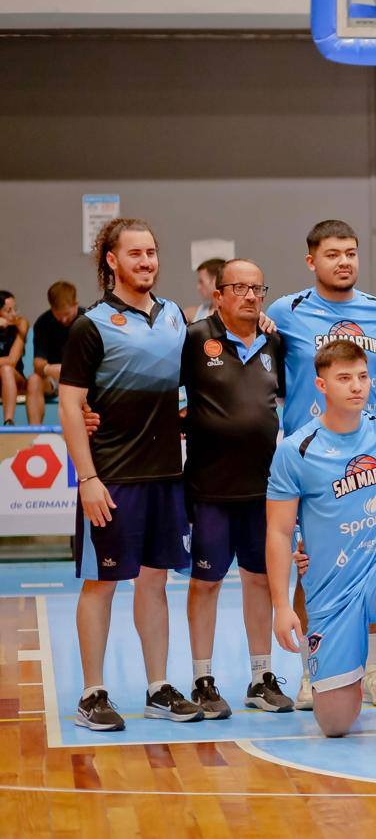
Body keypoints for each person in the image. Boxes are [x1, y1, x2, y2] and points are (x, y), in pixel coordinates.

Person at [266, 339, 376, 755]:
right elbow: (278, 531)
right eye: (344, 378)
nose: (356, 386)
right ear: (321, 385)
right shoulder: (296, 450)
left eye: (363, 377)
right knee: (335, 723)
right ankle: (373, 669)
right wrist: (281, 605)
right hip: (331, 591)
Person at [59, 218, 202, 731]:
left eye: (152, 252)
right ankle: (92, 694)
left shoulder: (174, 317)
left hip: (165, 475)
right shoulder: (90, 325)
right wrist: (87, 479)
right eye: (135, 253)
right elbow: (71, 405)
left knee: (154, 583)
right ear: (111, 260)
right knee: (101, 583)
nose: (146, 262)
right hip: (112, 478)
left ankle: (158, 688)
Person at [266, 220, 376, 709]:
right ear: (312, 261)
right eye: (332, 254)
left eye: (350, 252)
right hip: (316, 461)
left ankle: (372, 669)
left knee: (375, 558)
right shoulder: (285, 312)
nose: (344, 261)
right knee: (311, 565)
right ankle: (314, 670)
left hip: (372, 456)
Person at [182, 259, 292, 717]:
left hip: (262, 488)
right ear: (219, 295)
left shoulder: (273, 341)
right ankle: (202, 680)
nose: (250, 296)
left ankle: (260, 677)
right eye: (240, 288)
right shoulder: (194, 338)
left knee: (260, 579)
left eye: (257, 289)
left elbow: (281, 398)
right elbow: (167, 395)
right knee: (206, 583)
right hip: (210, 488)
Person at [27, 281, 84, 426]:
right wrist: (50, 369)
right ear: (51, 309)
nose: (63, 320)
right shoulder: (43, 323)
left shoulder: (88, 320)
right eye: (58, 315)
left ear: (75, 305)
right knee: (34, 380)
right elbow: (38, 363)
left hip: (83, 380)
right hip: (54, 379)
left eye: (67, 314)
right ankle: (35, 433)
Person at [0, 290, 29, 426]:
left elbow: (12, 361)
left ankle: (8, 421)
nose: (13, 314)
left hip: (16, 379)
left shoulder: (20, 326)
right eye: (8, 311)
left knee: (6, 369)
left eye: (14, 309)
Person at [184, 258, 222, 323]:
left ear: (215, 281)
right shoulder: (193, 313)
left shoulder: (233, 314)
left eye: (201, 282)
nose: (198, 287)